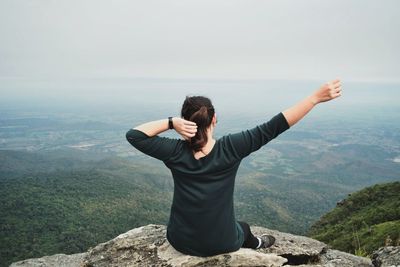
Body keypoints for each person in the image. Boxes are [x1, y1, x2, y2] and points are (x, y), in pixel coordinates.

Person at [126, 79, 342, 257]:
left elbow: (134, 135)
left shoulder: (174, 152)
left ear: (186, 122)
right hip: (223, 242)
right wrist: (314, 98)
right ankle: (256, 244)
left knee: (238, 226)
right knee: (244, 228)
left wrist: (171, 122)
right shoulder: (231, 148)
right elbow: (276, 125)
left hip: (180, 241)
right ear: (214, 120)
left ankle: (254, 243)